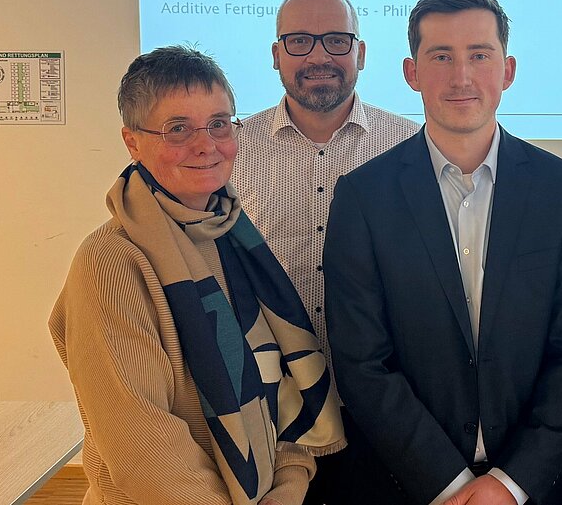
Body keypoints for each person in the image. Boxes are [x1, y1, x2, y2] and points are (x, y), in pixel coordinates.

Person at [323, 0, 562, 505]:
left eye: (479, 55)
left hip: (532, 486)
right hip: (408, 485)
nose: (462, 77)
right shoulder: (363, 197)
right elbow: (362, 362)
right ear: (411, 73)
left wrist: (511, 483)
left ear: (508, 70)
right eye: (441, 57)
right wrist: (451, 485)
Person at [49, 46, 344, 505]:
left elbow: (281, 392)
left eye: (219, 123)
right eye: (178, 129)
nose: (206, 145)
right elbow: (145, 453)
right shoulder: (110, 263)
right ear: (132, 142)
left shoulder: (233, 238)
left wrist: (288, 486)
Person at [231, 0, 418, 503]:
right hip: (271, 414)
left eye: (337, 40)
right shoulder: (231, 153)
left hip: (384, 411)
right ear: (276, 54)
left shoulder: (411, 147)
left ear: (361, 52)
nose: (319, 56)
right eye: (299, 41)